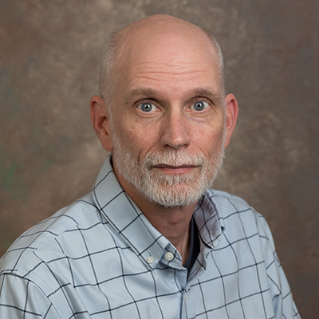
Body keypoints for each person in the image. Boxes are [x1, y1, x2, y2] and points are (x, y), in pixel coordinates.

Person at [0, 15, 300, 319]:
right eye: (147, 106)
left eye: (198, 105)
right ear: (104, 124)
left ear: (228, 122)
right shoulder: (37, 282)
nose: (176, 138)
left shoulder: (250, 233)